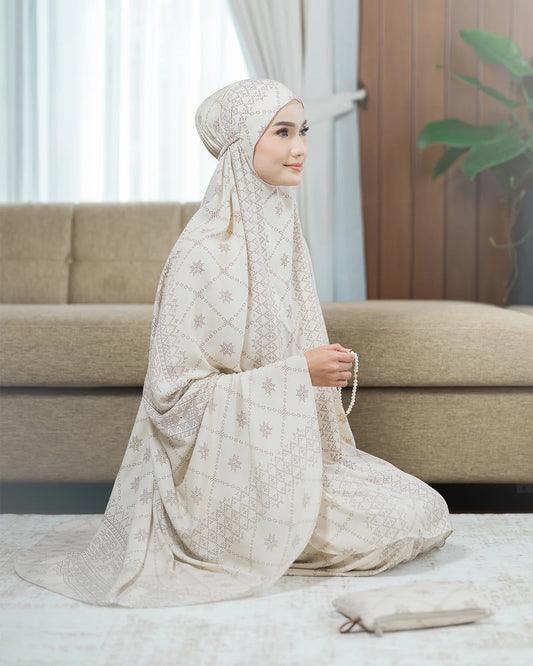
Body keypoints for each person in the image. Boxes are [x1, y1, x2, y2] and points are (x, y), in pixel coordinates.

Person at [14, 79, 452, 607]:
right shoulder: (203, 251)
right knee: (390, 525)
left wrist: (309, 367)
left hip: (286, 453)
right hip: (223, 479)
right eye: (282, 132)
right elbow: (173, 401)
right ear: (243, 143)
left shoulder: (281, 231)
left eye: (303, 131)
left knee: (423, 506)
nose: (300, 147)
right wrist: (299, 374)